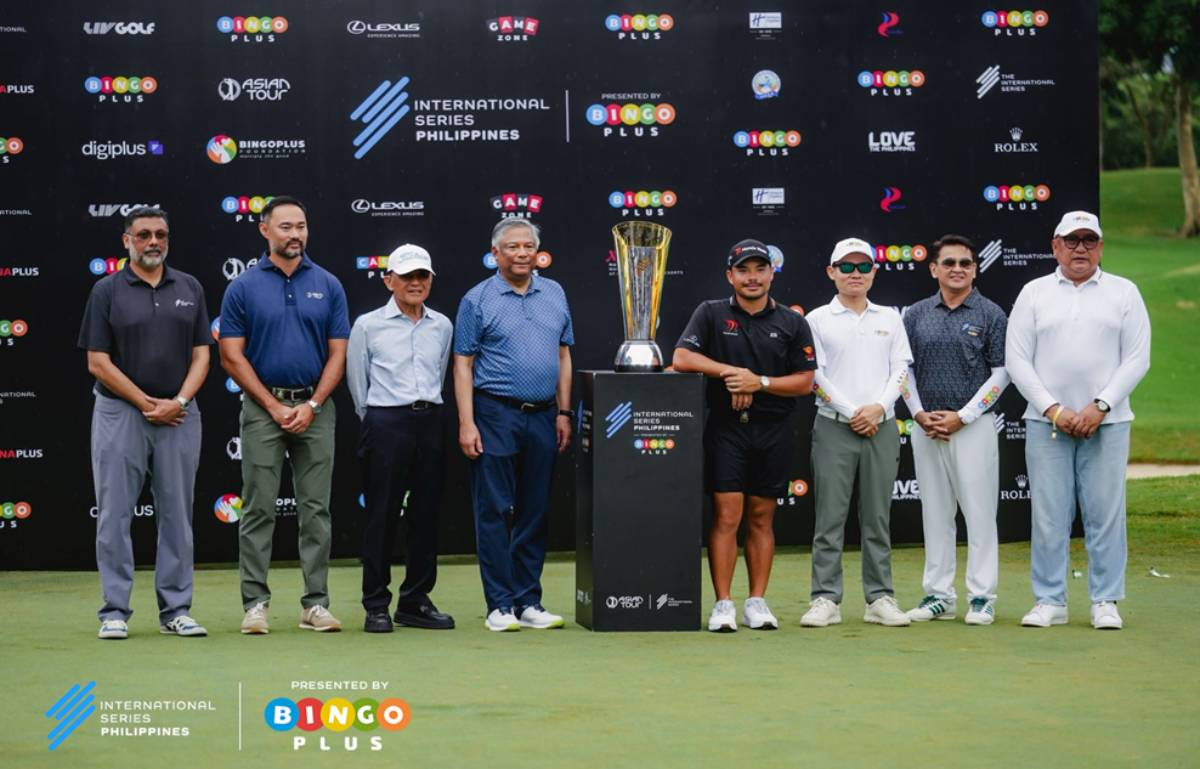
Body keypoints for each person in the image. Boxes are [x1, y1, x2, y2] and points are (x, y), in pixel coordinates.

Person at [1006, 210, 1150, 630]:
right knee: (1049, 515)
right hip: (1045, 422)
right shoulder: (1034, 292)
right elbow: (1017, 359)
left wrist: (1099, 405)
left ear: (1101, 247)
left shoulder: (1124, 293)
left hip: (1108, 421)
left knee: (1105, 514)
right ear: (1056, 246)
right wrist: (1054, 408)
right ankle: (1050, 600)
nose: (1080, 248)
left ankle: (1105, 600)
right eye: (1072, 240)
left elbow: (1137, 359)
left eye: (1089, 240)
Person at [218, 195, 350, 634]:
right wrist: (274, 406)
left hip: (317, 408)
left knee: (316, 510)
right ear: (264, 230)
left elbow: (339, 354)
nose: (295, 234)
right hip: (262, 410)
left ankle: (315, 604)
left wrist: (311, 405)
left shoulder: (328, 284)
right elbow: (231, 357)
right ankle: (255, 603)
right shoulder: (243, 287)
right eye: (286, 227)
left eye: (301, 226)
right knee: (258, 508)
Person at [79, 206, 211, 639]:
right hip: (120, 413)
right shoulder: (107, 290)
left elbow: (202, 355)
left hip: (179, 415)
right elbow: (97, 362)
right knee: (114, 513)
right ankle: (114, 610)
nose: (153, 242)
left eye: (160, 234)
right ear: (127, 241)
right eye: (143, 235)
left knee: (177, 514)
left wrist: (179, 400)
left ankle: (175, 609)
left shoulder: (189, 287)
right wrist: (146, 402)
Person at [673, 239, 817, 632]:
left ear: (772, 273)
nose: (752, 278)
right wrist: (731, 375)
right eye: (743, 270)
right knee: (726, 516)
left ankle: (757, 602)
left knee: (761, 518)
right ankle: (723, 604)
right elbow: (682, 358)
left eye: (759, 269)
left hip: (775, 430)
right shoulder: (711, 313)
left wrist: (759, 383)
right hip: (726, 430)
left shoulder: (791, 321)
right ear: (730, 276)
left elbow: (805, 381)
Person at [453, 217, 574, 632]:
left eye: (528, 247)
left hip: (543, 414)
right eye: (513, 247)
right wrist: (467, 423)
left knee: (534, 511)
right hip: (494, 413)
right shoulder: (477, 299)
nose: (522, 253)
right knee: (494, 510)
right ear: (496, 254)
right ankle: (499, 605)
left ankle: (528, 601)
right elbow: (463, 364)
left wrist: (563, 411)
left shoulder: (554, 292)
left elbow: (563, 356)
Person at [801, 237, 913, 628]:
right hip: (834, 427)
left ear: (874, 273)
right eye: (846, 267)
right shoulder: (816, 319)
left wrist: (880, 407)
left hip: (881, 427)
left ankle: (879, 597)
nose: (855, 274)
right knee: (830, 518)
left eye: (863, 266)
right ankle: (825, 599)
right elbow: (816, 376)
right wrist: (852, 412)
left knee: (877, 519)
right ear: (832, 272)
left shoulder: (890, 317)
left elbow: (901, 369)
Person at [899, 235, 1009, 626]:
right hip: (927, 427)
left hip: (972, 427)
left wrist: (963, 415)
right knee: (935, 513)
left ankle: (982, 596)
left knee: (979, 513)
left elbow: (1001, 373)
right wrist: (919, 412)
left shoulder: (991, 313)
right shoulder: (914, 314)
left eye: (965, 263)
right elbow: (904, 369)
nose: (957, 269)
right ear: (934, 269)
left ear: (975, 269)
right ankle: (939, 596)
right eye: (949, 263)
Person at [347, 244, 455, 633]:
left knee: (426, 515)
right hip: (386, 422)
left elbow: (440, 371)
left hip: (431, 420)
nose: (415, 283)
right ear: (388, 279)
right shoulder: (367, 325)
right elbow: (358, 384)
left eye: (422, 276)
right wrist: (378, 418)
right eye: (407, 276)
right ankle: (376, 604)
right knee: (382, 515)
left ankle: (414, 600)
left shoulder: (442, 324)